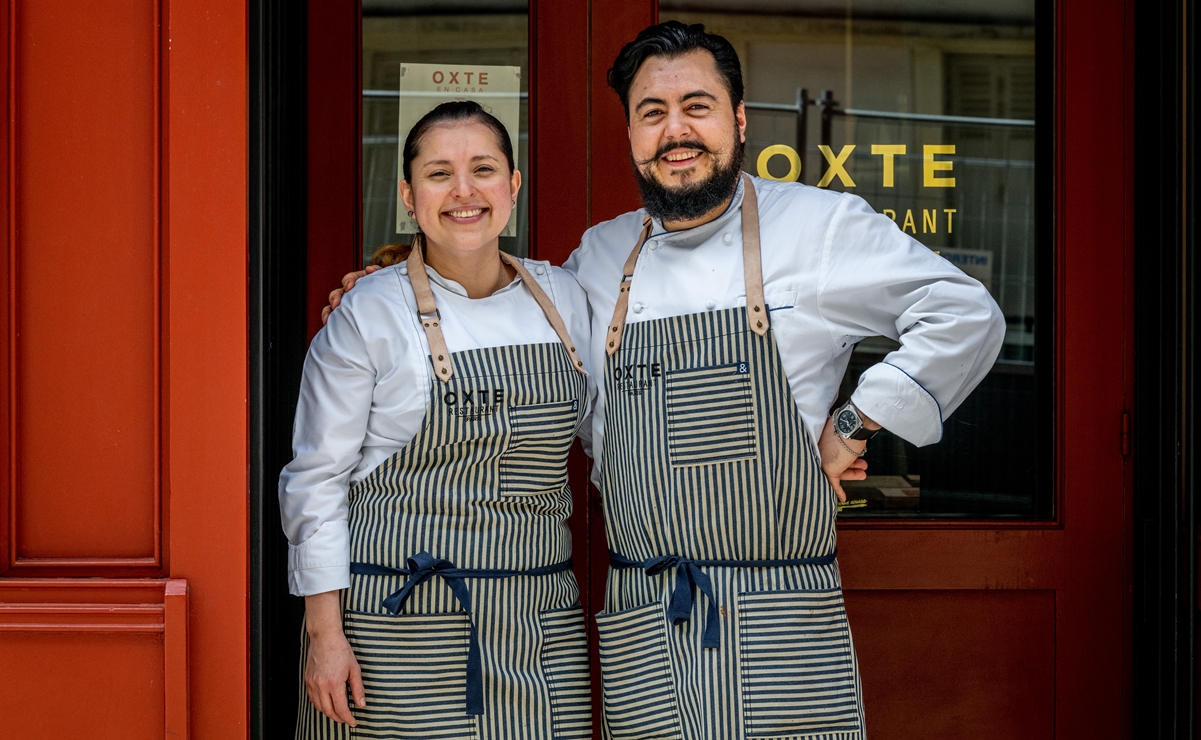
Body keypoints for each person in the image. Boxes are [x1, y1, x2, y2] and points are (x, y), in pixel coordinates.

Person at [328, 22, 1005, 740]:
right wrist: (390, 292)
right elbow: (506, 318)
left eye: (697, 106)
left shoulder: (820, 226)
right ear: (629, 132)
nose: (675, 130)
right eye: (652, 113)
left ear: (738, 120)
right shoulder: (602, 253)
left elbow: (963, 313)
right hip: (645, 614)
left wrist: (850, 426)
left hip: (777, 608)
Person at [281, 100, 595, 739]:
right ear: (408, 194)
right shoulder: (367, 313)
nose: (463, 191)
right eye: (438, 173)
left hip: (537, 622)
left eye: (483, 169)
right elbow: (316, 483)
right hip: (396, 629)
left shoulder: (563, 297)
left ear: (513, 187)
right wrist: (324, 636)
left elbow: (615, 437)